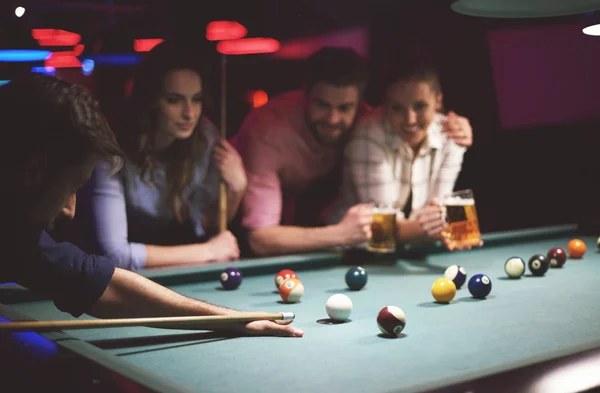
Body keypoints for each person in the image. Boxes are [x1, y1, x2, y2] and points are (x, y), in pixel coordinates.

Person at [0, 72, 302, 338]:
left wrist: (233, 320)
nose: (70, 210)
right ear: (34, 171)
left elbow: (106, 285)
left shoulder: (22, 239)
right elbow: (112, 260)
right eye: (72, 187)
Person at [85, 41, 246, 271]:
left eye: (197, 99)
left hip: (166, 268)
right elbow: (114, 255)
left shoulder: (204, 137)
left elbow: (206, 226)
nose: (190, 113)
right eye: (174, 100)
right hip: (98, 274)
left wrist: (237, 189)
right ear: (150, 101)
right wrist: (208, 251)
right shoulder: (110, 150)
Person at [232, 47, 376, 257]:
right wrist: (341, 233)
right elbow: (260, 239)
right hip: (235, 214)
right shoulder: (267, 131)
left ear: (359, 104)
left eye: (344, 108)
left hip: (307, 212)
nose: (332, 119)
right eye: (322, 105)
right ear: (305, 95)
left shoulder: (366, 119)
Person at [329, 56, 477, 250]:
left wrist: (456, 228)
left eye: (420, 106)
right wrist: (453, 226)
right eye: (397, 108)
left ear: (438, 101)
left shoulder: (452, 134)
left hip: (412, 244)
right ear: (385, 106)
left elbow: (440, 205)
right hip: (353, 248)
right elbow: (382, 227)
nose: (410, 120)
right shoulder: (367, 135)